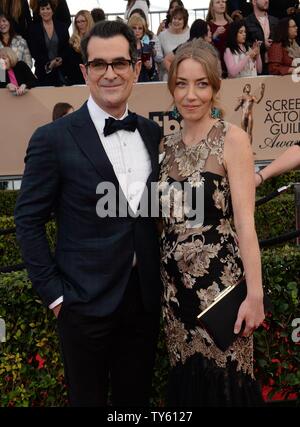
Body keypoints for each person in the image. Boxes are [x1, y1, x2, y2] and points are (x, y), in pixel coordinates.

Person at [14, 19, 162, 407]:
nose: (110, 73)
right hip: (81, 305)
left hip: (143, 302)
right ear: (85, 71)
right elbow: (27, 221)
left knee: (135, 404)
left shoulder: (152, 134)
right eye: (99, 64)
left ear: (136, 67)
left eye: (119, 63)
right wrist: (55, 296)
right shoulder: (53, 138)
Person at [159, 38, 265, 406]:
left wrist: (255, 295)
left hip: (220, 294)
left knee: (226, 387)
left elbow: (246, 222)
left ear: (215, 88)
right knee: (188, 388)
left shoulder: (231, 139)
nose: (191, 95)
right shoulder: (165, 148)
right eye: (182, 84)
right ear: (171, 88)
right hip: (174, 298)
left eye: (201, 84)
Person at [28, 0, 71, 86]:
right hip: (43, 73)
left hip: (62, 72)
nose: (45, 11)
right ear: (39, 12)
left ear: (53, 11)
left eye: (48, 8)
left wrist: (61, 58)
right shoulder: (34, 29)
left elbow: (67, 47)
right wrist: (49, 64)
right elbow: (34, 51)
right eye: (42, 9)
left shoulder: (62, 27)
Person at [244, 0, 278, 75]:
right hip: (255, 67)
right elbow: (244, 44)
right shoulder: (247, 21)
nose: (266, 1)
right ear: (254, 2)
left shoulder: (275, 21)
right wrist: (262, 45)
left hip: (274, 66)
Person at [206, 0, 232, 77]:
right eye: (218, 2)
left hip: (231, 63)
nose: (221, 4)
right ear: (212, 7)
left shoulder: (231, 23)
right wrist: (215, 35)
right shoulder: (208, 25)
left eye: (223, 2)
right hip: (215, 62)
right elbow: (205, 45)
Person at [68, 10, 94, 84]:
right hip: (76, 78)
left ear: (88, 22)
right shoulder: (72, 41)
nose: (80, 24)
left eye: (83, 21)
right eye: (78, 22)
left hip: (93, 75)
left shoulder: (96, 39)